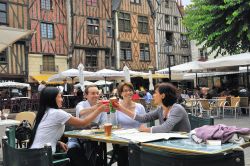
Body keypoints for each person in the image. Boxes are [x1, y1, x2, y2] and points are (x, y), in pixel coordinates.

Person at [28, 87, 108, 158]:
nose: (62, 99)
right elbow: (83, 123)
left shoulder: (44, 112)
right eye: (59, 97)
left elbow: (43, 135)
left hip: (33, 155)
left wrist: (57, 142)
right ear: (52, 99)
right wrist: (99, 110)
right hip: (44, 157)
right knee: (77, 157)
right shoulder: (57, 113)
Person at [113, 83, 191, 133]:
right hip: (169, 145)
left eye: (155, 93)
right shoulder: (161, 109)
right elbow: (143, 118)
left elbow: (165, 128)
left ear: (163, 96)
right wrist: (120, 108)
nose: (153, 95)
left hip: (183, 147)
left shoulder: (177, 109)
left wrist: (146, 129)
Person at [67, 85, 107, 166]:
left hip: (94, 139)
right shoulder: (81, 104)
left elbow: (103, 124)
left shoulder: (102, 107)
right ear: (85, 95)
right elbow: (81, 112)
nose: (96, 95)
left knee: (98, 157)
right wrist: (96, 108)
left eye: (97, 93)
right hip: (77, 138)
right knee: (72, 150)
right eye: (92, 93)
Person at [112, 82, 146, 166]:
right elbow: (113, 126)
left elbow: (143, 125)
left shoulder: (139, 107)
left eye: (130, 90)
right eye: (125, 91)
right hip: (121, 141)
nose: (128, 92)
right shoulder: (115, 107)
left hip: (137, 141)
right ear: (120, 93)